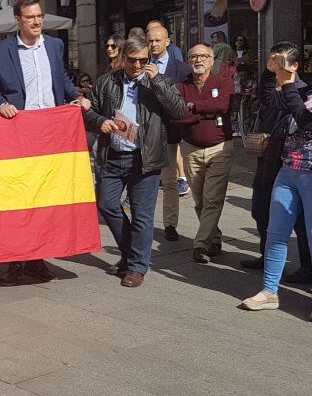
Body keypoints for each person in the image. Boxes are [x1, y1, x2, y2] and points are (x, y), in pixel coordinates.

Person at [0, 0, 89, 286]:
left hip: (51, 136)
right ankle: (15, 261)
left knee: (46, 200)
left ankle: (37, 258)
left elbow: (62, 80)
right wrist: (1, 104)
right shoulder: (0, 51)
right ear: (18, 20)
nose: (37, 22)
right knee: (19, 199)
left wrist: (77, 97)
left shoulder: (55, 46)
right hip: (18, 135)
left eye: (39, 16)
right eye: (30, 17)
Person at [85, 35, 186, 287]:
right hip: (114, 154)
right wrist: (101, 122)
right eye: (133, 61)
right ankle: (131, 255)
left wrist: (158, 82)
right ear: (123, 57)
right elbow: (91, 113)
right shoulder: (106, 82)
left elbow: (179, 111)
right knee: (107, 204)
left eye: (144, 61)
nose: (138, 66)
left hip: (145, 157)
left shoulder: (159, 81)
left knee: (142, 215)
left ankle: (137, 267)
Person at [241, 42, 311, 312]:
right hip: (287, 170)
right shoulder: (294, 89)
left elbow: (304, 118)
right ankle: (270, 291)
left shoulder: (304, 90)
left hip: (310, 173)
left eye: (284, 63)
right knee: (276, 233)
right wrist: (270, 73)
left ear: (295, 66)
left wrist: (288, 82)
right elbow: (269, 99)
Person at [173, 45, 234, 263]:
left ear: (211, 60)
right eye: (194, 56)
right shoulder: (181, 85)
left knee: (213, 199)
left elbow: (223, 105)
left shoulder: (223, 82)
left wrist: (194, 108)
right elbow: (178, 113)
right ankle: (214, 238)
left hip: (220, 148)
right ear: (189, 60)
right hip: (190, 149)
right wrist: (206, 111)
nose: (198, 60)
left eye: (203, 56)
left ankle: (200, 244)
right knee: (200, 200)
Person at [147, 24, 194, 242]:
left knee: (170, 181)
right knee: (151, 181)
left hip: (173, 131)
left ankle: (170, 224)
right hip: (147, 132)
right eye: (150, 41)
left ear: (168, 42)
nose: (154, 44)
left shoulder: (181, 69)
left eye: (158, 40)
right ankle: (148, 222)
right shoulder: (141, 65)